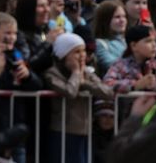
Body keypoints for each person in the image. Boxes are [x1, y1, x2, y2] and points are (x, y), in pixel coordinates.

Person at [45, 33, 113, 163]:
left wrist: (85, 83)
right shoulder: (52, 73)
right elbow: (70, 92)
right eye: (76, 52)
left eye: (83, 51)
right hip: (64, 131)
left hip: (85, 131)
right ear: (64, 54)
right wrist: (76, 73)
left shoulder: (86, 72)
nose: (82, 55)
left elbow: (107, 92)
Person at [103, 25, 156, 94]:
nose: (154, 45)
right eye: (148, 41)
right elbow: (107, 84)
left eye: (155, 41)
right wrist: (135, 85)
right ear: (134, 46)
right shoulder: (121, 65)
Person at [93, 0, 128, 77]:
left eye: (124, 16)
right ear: (105, 20)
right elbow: (112, 65)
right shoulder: (100, 44)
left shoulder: (127, 40)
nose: (122, 20)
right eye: (117, 17)